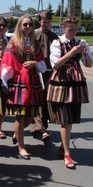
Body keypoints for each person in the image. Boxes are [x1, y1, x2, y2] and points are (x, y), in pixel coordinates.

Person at [47, 16, 93, 169]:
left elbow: (90, 64)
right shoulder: (57, 42)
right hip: (61, 82)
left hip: (76, 83)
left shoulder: (81, 42)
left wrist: (85, 53)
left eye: (75, 29)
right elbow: (55, 64)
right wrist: (71, 52)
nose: (73, 32)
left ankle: (63, 146)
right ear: (63, 28)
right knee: (65, 119)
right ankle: (67, 153)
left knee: (71, 119)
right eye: (69, 29)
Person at [0, 15, 46, 159]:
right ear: (20, 26)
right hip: (19, 80)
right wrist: (4, 82)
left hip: (33, 81)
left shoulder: (36, 44)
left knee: (31, 114)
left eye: (30, 25)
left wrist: (35, 64)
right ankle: (21, 147)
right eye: (25, 24)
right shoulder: (13, 43)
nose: (28, 27)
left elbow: (43, 65)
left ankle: (16, 134)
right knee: (20, 116)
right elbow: (7, 63)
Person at [31, 10, 59, 142]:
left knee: (46, 100)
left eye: (48, 22)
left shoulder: (54, 37)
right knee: (37, 98)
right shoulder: (34, 35)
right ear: (39, 21)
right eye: (44, 22)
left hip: (49, 71)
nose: (46, 24)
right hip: (36, 70)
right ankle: (39, 127)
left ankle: (42, 126)